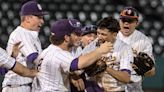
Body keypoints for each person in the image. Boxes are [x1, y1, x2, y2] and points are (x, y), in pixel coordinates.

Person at [31, 19, 113, 92]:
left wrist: (72, 75)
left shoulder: (48, 50)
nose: (80, 37)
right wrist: (99, 51)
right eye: (77, 34)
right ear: (66, 38)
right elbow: (76, 64)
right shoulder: (57, 53)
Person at [78, 16, 134, 92]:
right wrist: (75, 77)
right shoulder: (93, 45)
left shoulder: (124, 48)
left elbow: (126, 78)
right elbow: (78, 64)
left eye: (103, 34)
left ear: (114, 34)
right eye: (98, 33)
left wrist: (106, 68)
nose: (99, 37)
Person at [2, 1, 46, 92]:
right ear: (28, 18)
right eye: (39, 17)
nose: (42, 21)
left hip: (26, 85)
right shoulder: (21, 33)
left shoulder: (33, 36)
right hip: (17, 86)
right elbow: (34, 58)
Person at [117, 7, 155, 92]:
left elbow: (151, 71)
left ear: (136, 23)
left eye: (130, 21)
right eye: (124, 20)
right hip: (113, 83)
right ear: (119, 21)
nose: (126, 23)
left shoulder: (144, 40)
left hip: (133, 85)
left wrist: (144, 70)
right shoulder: (111, 36)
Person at [70, 25, 97, 92]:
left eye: (95, 36)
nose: (92, 39)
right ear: (81, 38)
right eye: (89, 36)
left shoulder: (100, 50)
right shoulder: (75, 51)